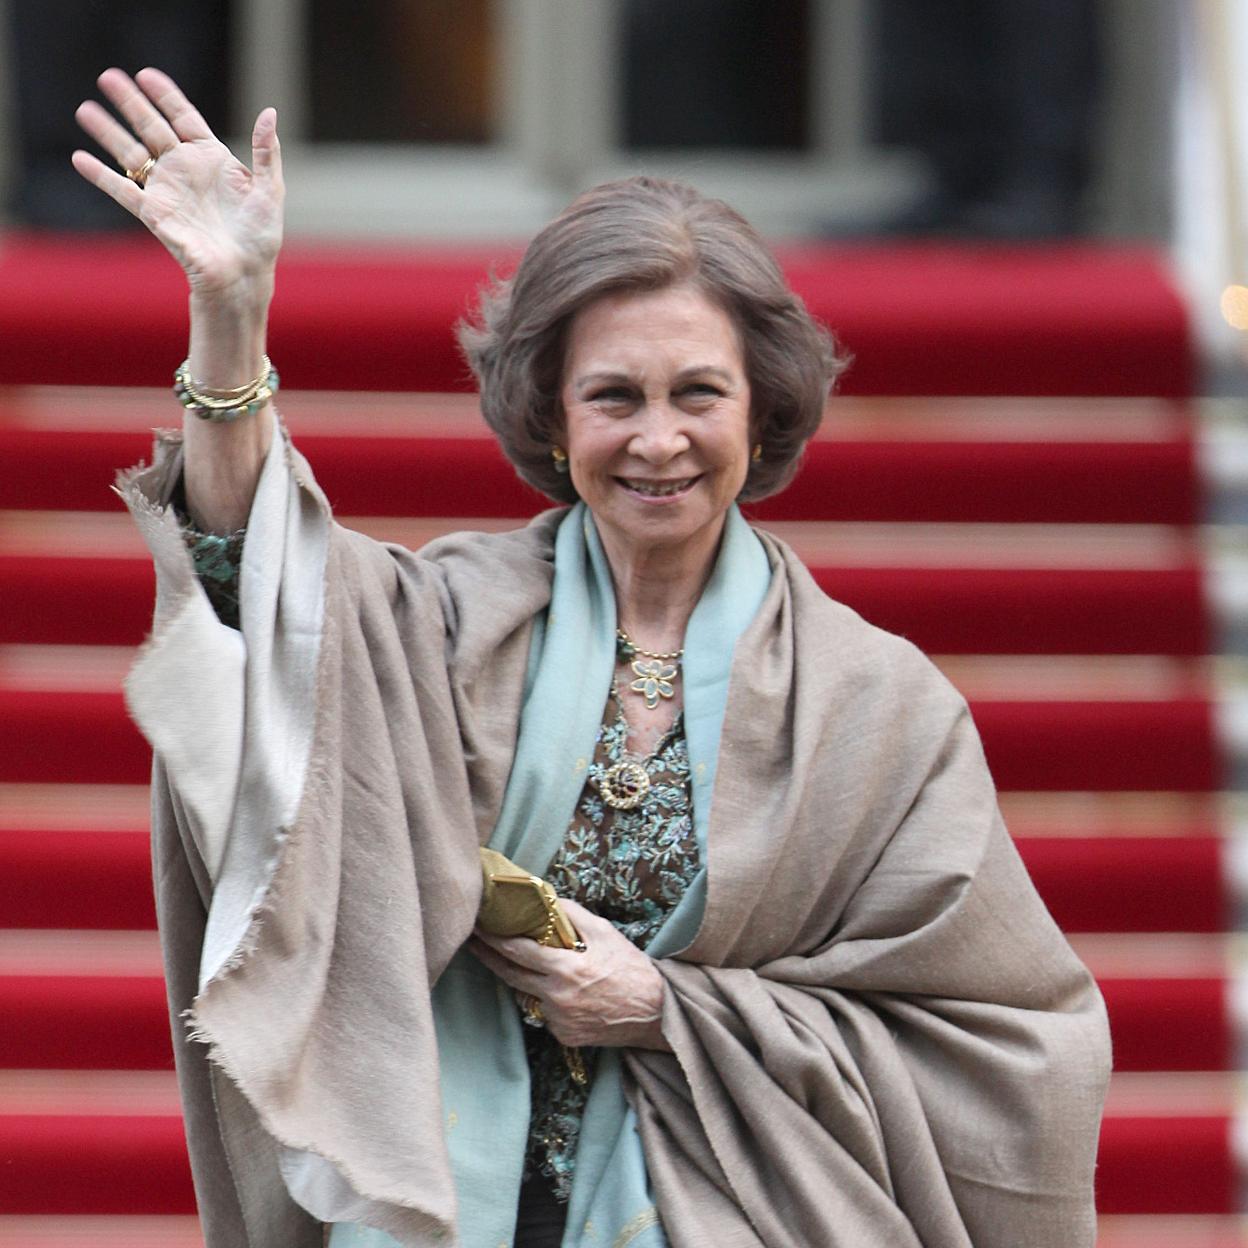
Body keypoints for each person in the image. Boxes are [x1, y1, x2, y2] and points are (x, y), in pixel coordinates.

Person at [73, 68, 1111, 1248]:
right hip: (449, 1207)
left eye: (698, 394)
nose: (657, 439)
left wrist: (672, 1008)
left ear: (763, 413)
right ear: (552, 418)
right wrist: (231, 325)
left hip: (727, 1213)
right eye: (613, 396)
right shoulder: (442, 620)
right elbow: (259, 605)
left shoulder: (880, 703)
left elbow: (1013, 1043)